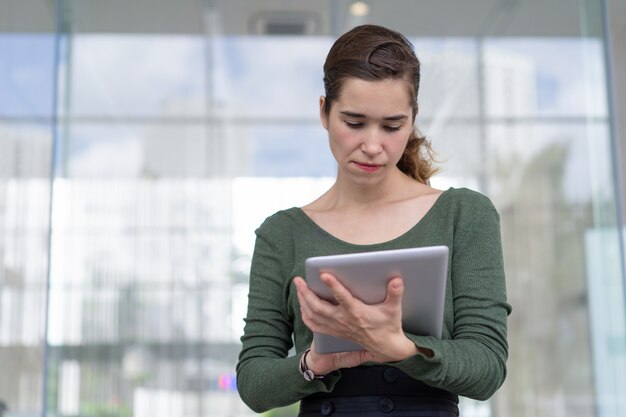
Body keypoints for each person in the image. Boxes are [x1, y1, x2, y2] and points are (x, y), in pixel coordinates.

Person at [236, 24, 511, 416]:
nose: (372, 145)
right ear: (323, 112)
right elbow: (253, 382)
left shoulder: (465, 215)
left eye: (392, 126)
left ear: (413, 120)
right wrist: (314, 364)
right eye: (354, 122)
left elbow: (486, 368)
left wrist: (400, 348)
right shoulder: (282, 234)